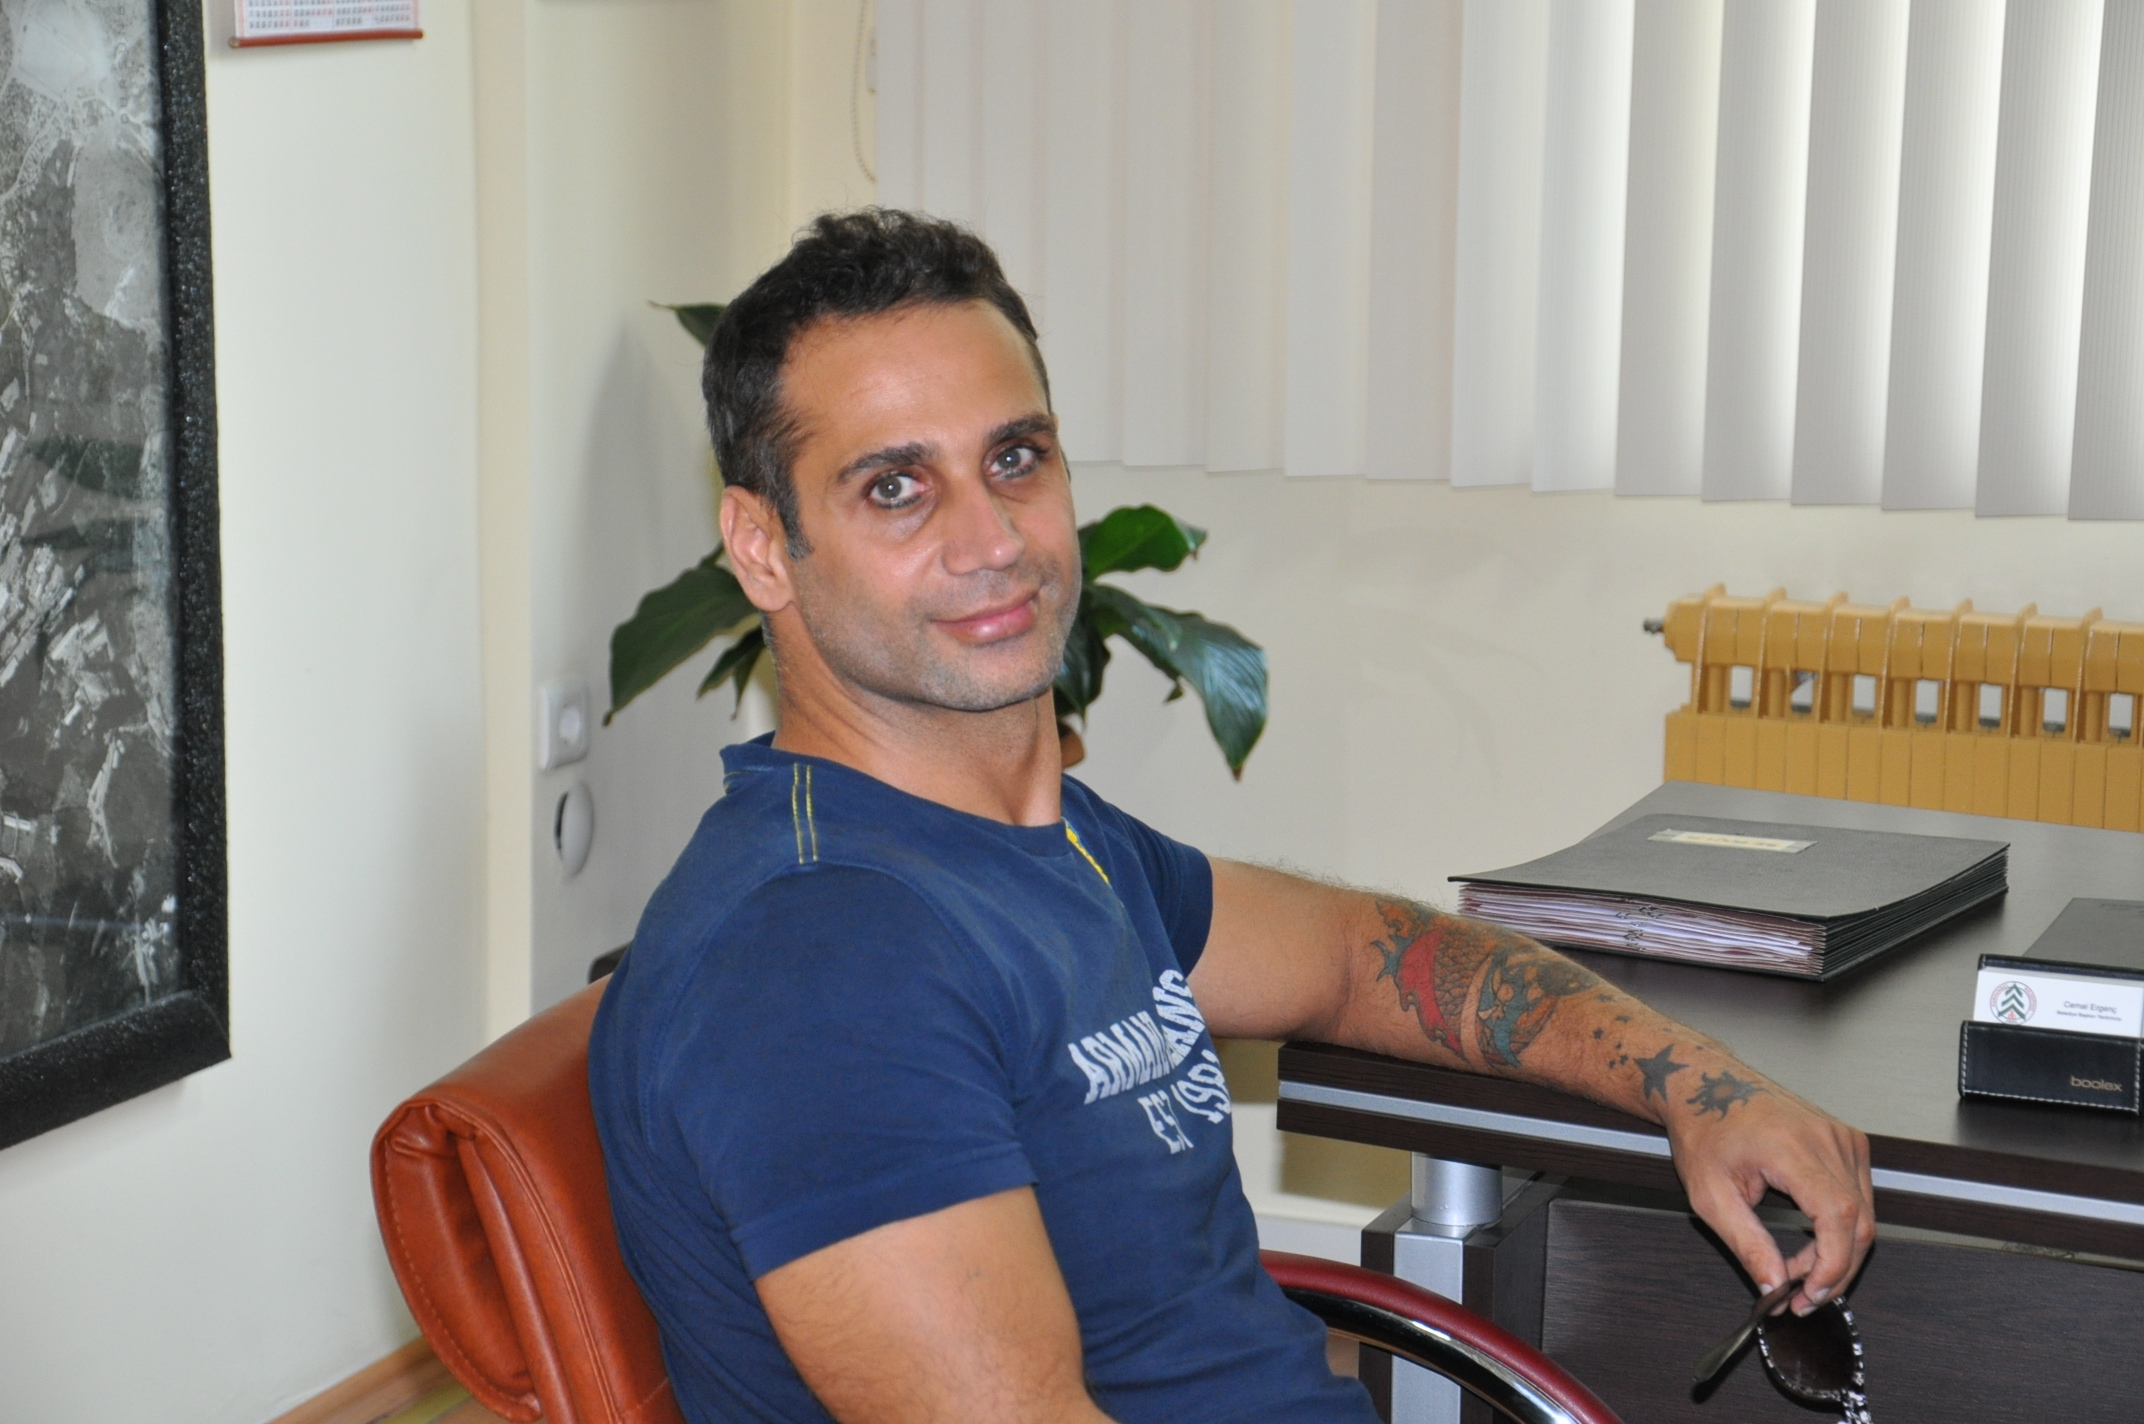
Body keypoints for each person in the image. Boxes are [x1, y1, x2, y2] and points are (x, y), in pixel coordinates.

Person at [588, 209, 1875, 1424]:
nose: (992, 539)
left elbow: (1359, 956)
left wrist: (1703, 1087)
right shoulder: (820, 958)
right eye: (894, 488)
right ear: (761, 547)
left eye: (1014, 459)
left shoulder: (1040, 843)